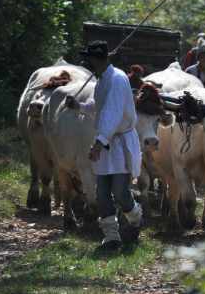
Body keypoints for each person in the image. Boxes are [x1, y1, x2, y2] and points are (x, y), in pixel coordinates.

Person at [63, 41, 143, 252]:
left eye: (88, 59)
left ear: (96, 59)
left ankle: (136, 219)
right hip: (106, 140)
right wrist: (79, 106)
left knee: (120, 191)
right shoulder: (102, 80)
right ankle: (111, 237)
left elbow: (113, 113)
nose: (87, 62)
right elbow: (99, 108)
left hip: (118, 142)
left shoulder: (117, 79)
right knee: (102, 193)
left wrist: (99, 143)